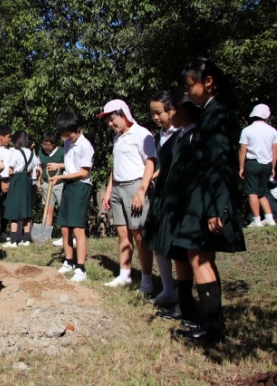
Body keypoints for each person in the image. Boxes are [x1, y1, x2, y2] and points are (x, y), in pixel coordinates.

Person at [172, 58, 245, 341]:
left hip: (209, 199)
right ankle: (209, 323)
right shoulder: (209, 112)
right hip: (200, 197)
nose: (187, 93)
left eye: (190, 86)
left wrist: (217, 207)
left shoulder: (218, 113)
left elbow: (219, 163)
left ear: (209, 82)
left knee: (199, 256)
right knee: (198, 256)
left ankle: (212, 329)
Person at [148, 92, 202, 326]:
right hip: (167, 199)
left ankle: (194, 308)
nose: (157, 117)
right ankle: (181, 301)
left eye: (160, 112)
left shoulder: (191, 135)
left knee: (191, 256)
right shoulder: (170, 136)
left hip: (185, 203)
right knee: (173, 251)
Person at [99, 99, 156, 294]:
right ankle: (125, 274)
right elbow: (115, 167)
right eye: (107, 121)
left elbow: (150, 162)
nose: (110, 124)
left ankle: (147, 281)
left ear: (123, 114)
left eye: (112, 119)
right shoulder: (118, 138)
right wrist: (109, 191)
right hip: (118, 189)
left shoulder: (141, 134)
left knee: (139, 235)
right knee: (123, 234)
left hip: (135, 186)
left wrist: (142, 190)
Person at [49, 113, 94, 282]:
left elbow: (83, 172)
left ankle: (81, 268)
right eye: (63, 134)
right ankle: (68, 261)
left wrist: (60, 177)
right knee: (65, 227)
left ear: (77, 129)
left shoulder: (85, 146)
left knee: (77, 228)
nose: (65, 137)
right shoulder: (68, 143)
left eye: (68, 133)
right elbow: (71, 165)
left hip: (80, 186)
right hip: (69, 184)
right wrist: (59, 166)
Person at [145, 91, 179, 306]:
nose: (156, 117)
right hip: (161, 192)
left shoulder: (182, 132)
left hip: (176, 194)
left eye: (159, 113)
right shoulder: (159, 135)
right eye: (153, 114)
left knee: (176, 245)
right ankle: (168, 288)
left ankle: (181, 294)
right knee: (157, 239)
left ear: (171, 110)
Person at [239, 103, 277, 227]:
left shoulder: (247, 130)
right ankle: (269, 218)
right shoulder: (272, 131)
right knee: (262, 192)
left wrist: (241, 167)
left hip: (253, 163)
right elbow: (274, 151)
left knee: (252, 192)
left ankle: (256, 220)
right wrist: (273, 167)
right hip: (267, 163)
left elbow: (242, 150)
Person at [2, 130, 37, 248]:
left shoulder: (16, 153)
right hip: (27, 181)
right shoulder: (32, 154)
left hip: (17, 180)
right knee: (26, 210)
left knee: (14, 209)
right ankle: (26, 239)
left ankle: (13, 240)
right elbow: (34, 170)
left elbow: (11, 169)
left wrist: (9, 179)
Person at [37, 132, 66, 246]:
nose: (45, 147)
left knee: (63, 209)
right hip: (46, 183)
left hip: (60, 184)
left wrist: (58, 165)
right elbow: (40, 167)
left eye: (47, 144)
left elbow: (69, 163)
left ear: (53, 144)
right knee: (48, 209)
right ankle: (46, 235)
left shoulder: (62, 151)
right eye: (43, 144)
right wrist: (39, 181)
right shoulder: (41, 152)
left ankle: (66, 236)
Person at [0, 126, 13, 242]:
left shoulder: (9, 150)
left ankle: (2, 231)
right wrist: (0, 183)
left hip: (7, 181)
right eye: (8, 136)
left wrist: (8, 182)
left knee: (5, 207)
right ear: (1, 137)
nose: (10, 139)